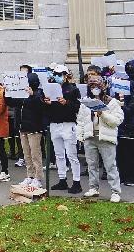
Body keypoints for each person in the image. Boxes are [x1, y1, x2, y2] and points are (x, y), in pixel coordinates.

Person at [77, 74, 124, 203]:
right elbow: (81, 120)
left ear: (103, 86)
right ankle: (93, 188)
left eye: (97, 85)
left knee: (110, 166)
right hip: (90, 137)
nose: (94, 88)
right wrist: (80, 136)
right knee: (92, 165)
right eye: (91, 86)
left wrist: (103, 115)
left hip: (106, 138)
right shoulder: (86, 102)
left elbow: (117, 120)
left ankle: (115, 191)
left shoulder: (111, 102)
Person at [44, 65, 82, 193]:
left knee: (72, 155)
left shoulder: (72, 89)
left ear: (66, 75)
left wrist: (66, 103)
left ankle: (76, 182)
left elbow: (78, 106)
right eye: (56, 74)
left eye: (60, 74)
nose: (58, 77)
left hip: (68, 124)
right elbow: (47, 110)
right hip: (55, 124)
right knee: (59, 154)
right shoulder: (51, 88)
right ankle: (62, 179)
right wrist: (48, 103)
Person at [17, 72, 46, 188]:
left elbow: (40, 107)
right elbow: (12, 103)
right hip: (23, 127)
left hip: (34, 128)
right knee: (26, 154)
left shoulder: (39, 93)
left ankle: (38, 177)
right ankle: (30, 175)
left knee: (35, 154)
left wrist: (32, 95)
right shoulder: (21, 94)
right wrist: (8, 92)